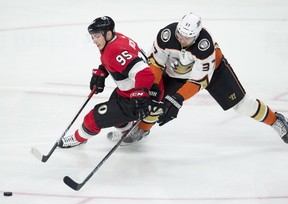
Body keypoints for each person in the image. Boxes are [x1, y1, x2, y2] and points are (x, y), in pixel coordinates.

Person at [110, 12, 288, 144]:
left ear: (196, 35)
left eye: (187, 38)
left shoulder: (205, 45)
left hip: (213, 71)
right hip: (176, 71)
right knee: (154, 97)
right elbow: (155, 64)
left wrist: (177, 99)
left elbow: (198, 80)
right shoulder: (166, 35)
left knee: (242, 106)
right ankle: (142, 128)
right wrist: (155, 88)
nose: (181, 40)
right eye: (179, 35)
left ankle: (276, 120)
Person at [58, 16, 160, 148]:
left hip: (137, 97)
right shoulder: (118, 38)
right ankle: (126, 132)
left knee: (93, 118)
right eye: (92, 37)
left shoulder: (114, 50)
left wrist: (140, 94)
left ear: (108, 34)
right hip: (127, 92)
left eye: (97, 36)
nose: (94, 40)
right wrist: (102, 71)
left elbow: (145, 73)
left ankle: (79, 138)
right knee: (117, 118)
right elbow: (119, 61)